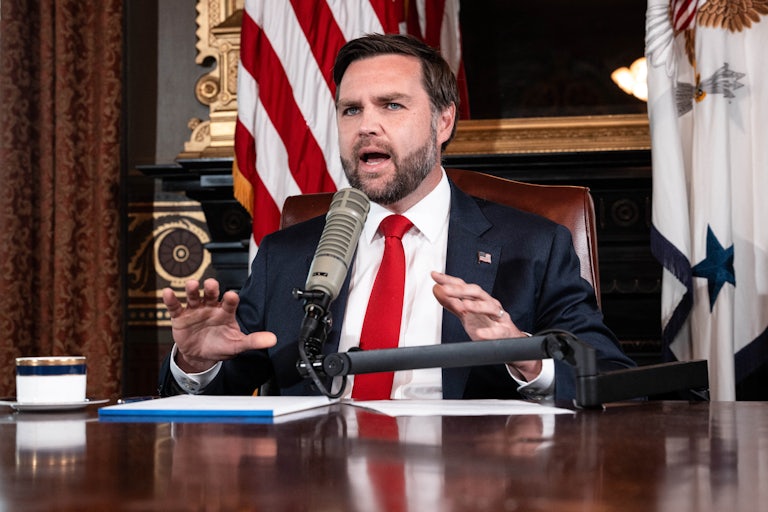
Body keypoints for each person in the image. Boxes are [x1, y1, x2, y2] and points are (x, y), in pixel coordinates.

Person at [159, 33, 635, 401]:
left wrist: (524, 354)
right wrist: (195, 363)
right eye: (351, 110)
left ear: (443, 121)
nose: (366, 125)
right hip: (318, 478)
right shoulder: (286, 254)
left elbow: (613, 380)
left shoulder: (531, 246)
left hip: (466, 478)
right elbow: (221, 388)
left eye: (391, 105)